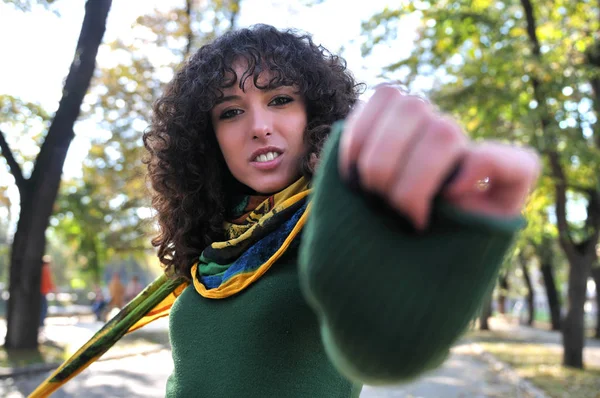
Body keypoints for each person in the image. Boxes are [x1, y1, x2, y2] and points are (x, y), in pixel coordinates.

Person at [30, 24, 540, 398]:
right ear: (207, 140)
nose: (258, 125)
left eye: (280, 99)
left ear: (314, 113)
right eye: (230, 111)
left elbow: (381, 342)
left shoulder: (336, 221)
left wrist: (436, 243)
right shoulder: (215, 244)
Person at [39, 255, 55, 328]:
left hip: (41, 292)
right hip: (43, 292)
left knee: (42, 308)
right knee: (44, 308)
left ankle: (40, 322)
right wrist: (53, 290)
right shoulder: (45, 269)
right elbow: (49, 282)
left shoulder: (40, 269)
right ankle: (41, 322)